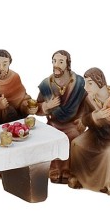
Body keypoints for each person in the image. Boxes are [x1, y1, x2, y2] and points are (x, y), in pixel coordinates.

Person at [36, 50, 87, 184]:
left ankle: (67, 169)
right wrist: (47, 106)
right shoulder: (46, 85)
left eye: (60, 61)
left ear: (68, 64)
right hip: (54, 124)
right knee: (51, 138)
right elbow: (37, 108)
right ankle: (54, 168)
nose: (56, 65)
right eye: (54, 61)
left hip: (72, 124)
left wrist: (82, 120)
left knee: (72, 137)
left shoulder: (79, 83)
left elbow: (87, 104)